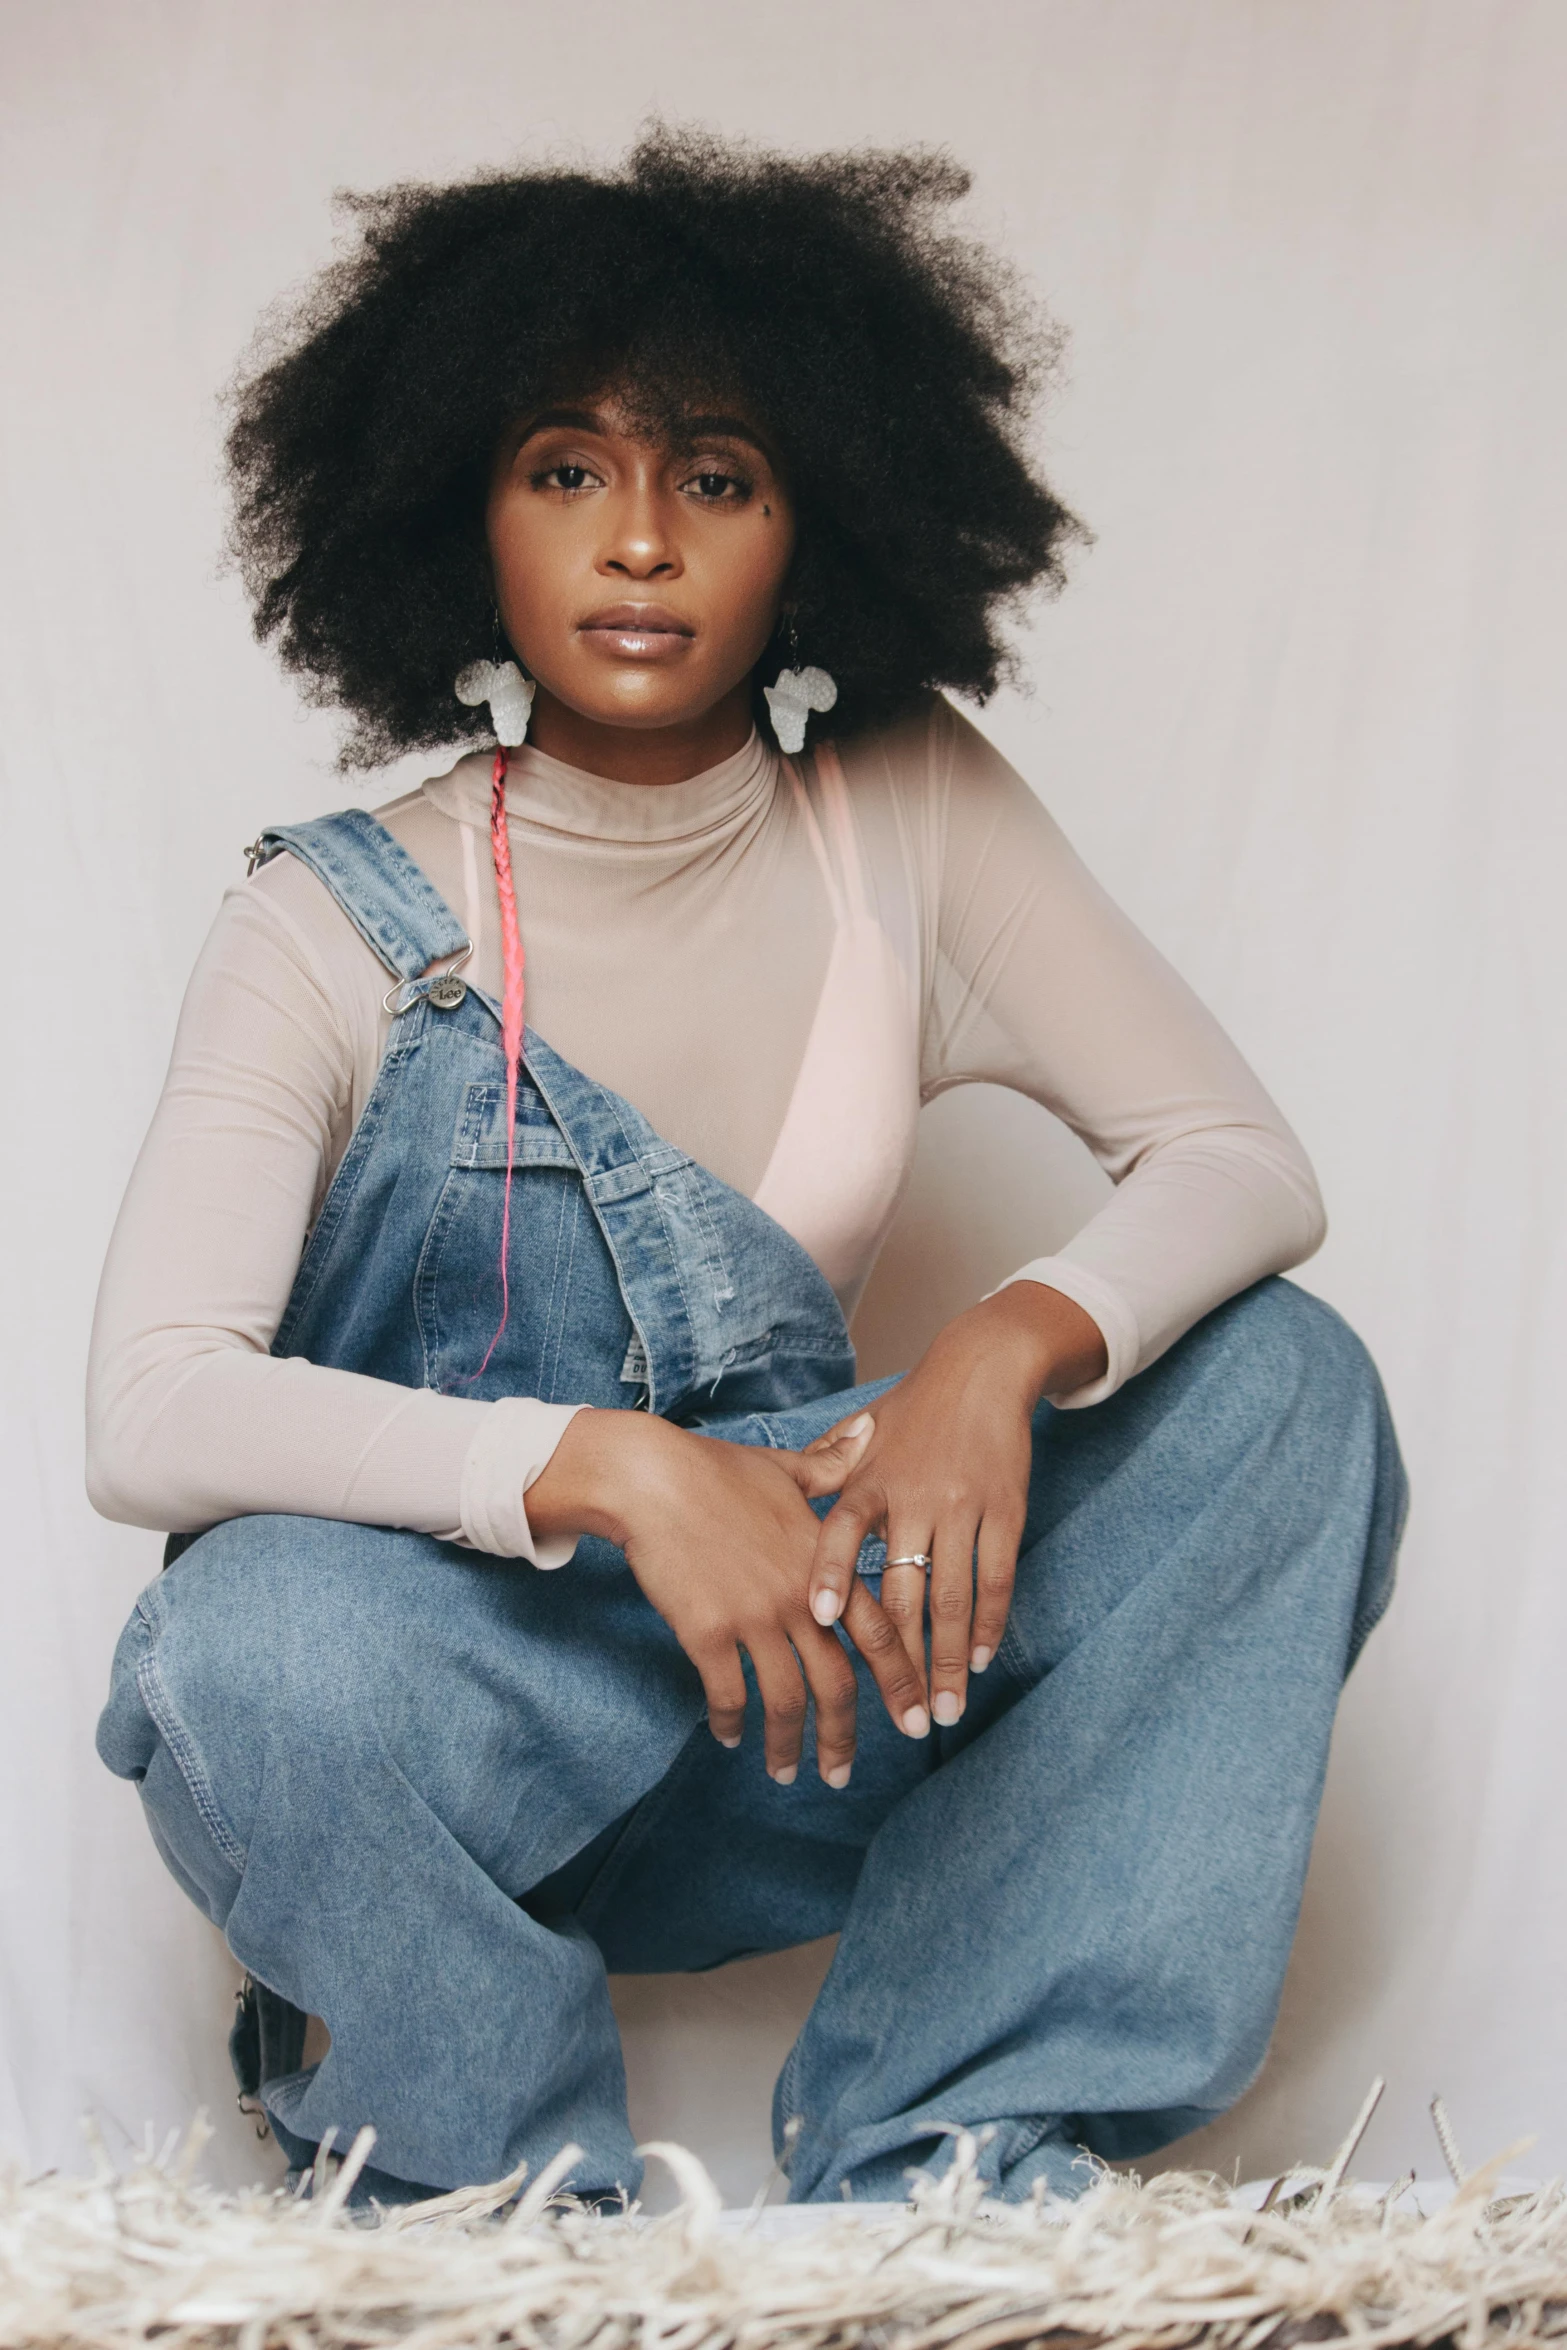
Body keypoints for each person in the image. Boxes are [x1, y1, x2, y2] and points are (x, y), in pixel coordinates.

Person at [89, 130, 1406, 2209]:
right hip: (469, 1715)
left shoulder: (909, 811)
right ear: (461, 511)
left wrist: (1006, 1345)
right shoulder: (328, 922)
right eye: (563, 469)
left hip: (828, 1663)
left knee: (1286, 1394)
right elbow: (150, 1406)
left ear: (813, 526)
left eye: (714, 476)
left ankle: (942, 2155)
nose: (638, 542)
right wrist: (603, 1465)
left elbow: (1237, 1154)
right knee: (227, 1647)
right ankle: (505, 2193)